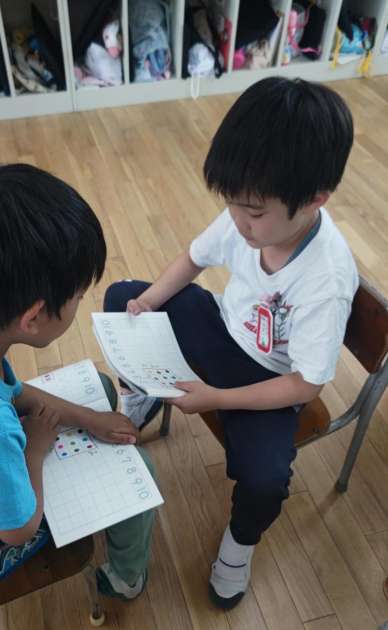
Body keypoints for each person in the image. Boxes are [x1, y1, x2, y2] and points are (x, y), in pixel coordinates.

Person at [104, 77, 359, 609]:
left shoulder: (327, 279)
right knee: (123, 298)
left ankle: (238, 550)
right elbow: (194, 259)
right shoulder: (251, 205)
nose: (239, 221)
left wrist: (215, 399)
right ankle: (145, 391)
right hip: (222, 329)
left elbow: (305, 385)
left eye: (254, 213)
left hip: (271, 383)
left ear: (315, 198)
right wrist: (148, 302)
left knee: (266, 481)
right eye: (232, 204)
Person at [0, 163, 154, 601]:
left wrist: (88, 417)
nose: (79, 302)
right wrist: (35, 449)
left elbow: (12, 390)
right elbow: (17, 529)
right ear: (33, 318)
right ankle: (126, 579)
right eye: (77, 296)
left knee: (101, 391)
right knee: (141, 470)